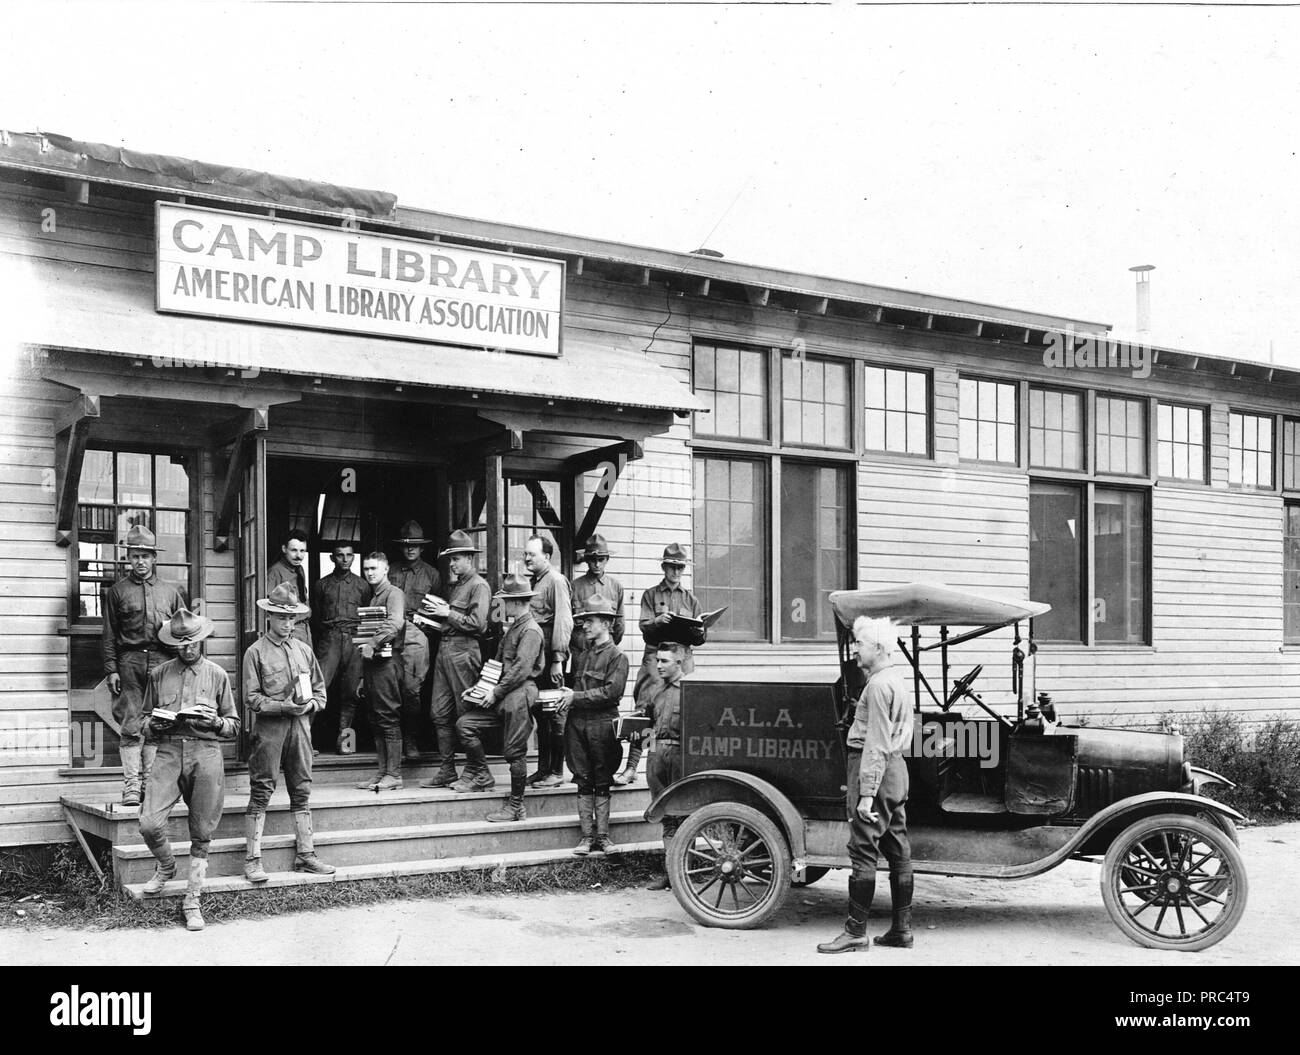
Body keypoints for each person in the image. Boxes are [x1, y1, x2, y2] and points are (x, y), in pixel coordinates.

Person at [137, 607, 240, 931]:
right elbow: (141, 721)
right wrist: (152, 725)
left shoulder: (217, 675)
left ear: (202, 640)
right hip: (167, 752)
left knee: (202, 832)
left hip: (206, 753)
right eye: (181, 644)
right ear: (173, 644)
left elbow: (234, 725)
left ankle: (192, 900)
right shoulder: (158, 674)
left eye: (193, 642)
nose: (188, 648)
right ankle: (166, 866)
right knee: (149, 823)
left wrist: (217, 722)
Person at [817, 616, 915, 954]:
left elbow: (875, 743)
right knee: (898, 849)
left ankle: (855, 933)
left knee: (863, 850)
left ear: (877, 647)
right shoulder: (897, 680)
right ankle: (901, 931)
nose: (856, 650)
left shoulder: (875, 686)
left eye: (860, 644)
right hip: (897, 772)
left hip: (874, 770)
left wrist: (867, 794)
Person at [242, 583, 335, 883]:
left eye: (291, 617)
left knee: (301, 789)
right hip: (270, 729)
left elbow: (320, 692)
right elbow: (252, 698)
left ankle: (305, 854)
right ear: (268, 615)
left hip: (301, 729)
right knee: (261, 790)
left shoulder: (304, 650)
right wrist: (282, 707)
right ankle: (253, 859)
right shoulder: (255, 652)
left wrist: (310, 706)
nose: (287, 623)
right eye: (281, 617)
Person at [101, 524, 190, 806]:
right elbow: (109, 633)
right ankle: (131, 787)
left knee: (158, 723)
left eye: (145, 556)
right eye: (135, 556)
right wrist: (111, 668)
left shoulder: (170, 592)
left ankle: (151, 786)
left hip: (163, 663)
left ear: (154, 558)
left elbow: (182, 631)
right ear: (128, 558)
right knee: (131, 725)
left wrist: (180, 664)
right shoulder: (117, 592)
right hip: (130, 662)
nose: (140, 561)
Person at [456, 574, 543, 821]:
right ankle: (482, 775)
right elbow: (496, 665)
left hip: (519, 694)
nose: (502, 605)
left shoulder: (531, 630)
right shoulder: (514, 627)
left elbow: (520, 670)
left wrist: (494, 692)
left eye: (505, 600)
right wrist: (479, 689)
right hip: (504, 693)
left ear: (516, 602)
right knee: (465, 725)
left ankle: (517, 806)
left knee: (515, 752)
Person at [617, 542, 704, 786]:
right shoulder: (651, 595)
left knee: (681, 714)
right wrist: (658, 621)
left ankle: (682, 771)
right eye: (672, 567)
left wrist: (699, 629)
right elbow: (644, 627)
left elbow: (700, 638)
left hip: (682, 661)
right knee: (646, 711)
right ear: (664, 567)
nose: (676, 572)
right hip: (657, 659)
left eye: (680, 567)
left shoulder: (691, 599)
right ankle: (634, 766)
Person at [418, 531, 491, 789]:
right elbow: (451, 625)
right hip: (446, 651)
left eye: (457, 558)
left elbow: (478, 625)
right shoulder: (456, 586)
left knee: (466, 716)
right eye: (450, 559)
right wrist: (430, 620)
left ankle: (478, 772)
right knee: (439, 713)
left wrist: (447, 612)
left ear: (469, 559)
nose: (452, 563)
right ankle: (447, 770)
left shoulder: (478, 586)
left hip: (464, 654)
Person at [558, 596, 629, 856]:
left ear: (606, 623)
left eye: (590, 621)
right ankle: (587, 837)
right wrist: (567, 697)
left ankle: (603, 837)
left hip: (603, 724)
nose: (585, 626)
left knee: (602, 779)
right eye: (584, 621)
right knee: (583, 779)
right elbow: (577, 688)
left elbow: (611, 693)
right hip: (577, 723)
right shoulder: (582, 655)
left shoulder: (618, 657)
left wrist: (574, 697)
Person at [388, 520, 443, 760]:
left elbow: (439, 610)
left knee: (413, 691)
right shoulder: (390, 571)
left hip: (419, 638)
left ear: (422, 549)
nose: (410, 549)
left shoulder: (432, 574)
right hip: (391, 635)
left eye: (416, 546)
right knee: (390, 689)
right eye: (406, 545)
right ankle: (393, 741)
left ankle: (411, 739)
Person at [523, 535, 573, 788]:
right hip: (536, 659)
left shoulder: (555, 581)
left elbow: (564, 621)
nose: (527, 558)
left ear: (547, 556)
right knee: (541, 714)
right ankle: (543, 769)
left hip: (549, 659)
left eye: (532, 554)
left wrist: (557, 660)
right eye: (526, 554)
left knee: (554, 716)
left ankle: (556, 771)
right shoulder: (535, 582)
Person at [355, 552, 407, 791]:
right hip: (373, 666)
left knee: (388, 717)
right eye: (366, 569)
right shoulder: (372, 596)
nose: (370, 573)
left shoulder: (394, 594)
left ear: (386, 569)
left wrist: (373, 643)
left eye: (374, 568)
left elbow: (395, 623)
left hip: (387, 664)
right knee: (376, 719)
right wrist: (363, 677)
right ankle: (382, 772)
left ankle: (394, 774)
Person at [638, 642, 686, 890]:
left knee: (682, 815)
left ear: (679, 662)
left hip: (680, 756)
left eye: (664, 661)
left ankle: (683, 873)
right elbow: (647, 723)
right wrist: (646, 748)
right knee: (665, 815)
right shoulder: (655, 690)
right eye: (657, 660)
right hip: (657, 753)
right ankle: (670, 873)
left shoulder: (690, 690)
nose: (658, 666)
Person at [311, 543, 366, 754]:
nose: (344, 559)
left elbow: (367, 615)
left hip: (354, 639)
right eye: (340, 555)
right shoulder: (322, 585)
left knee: (351, 692)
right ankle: (305, 742)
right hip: (330, 638)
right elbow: (316, 617)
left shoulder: (362, 586)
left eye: (349, 555)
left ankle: (345, 742)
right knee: (319, 688)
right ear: (333, 558)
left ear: (353, 558)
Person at [569, 533, 624, 661]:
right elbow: (568, 623)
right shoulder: (574, 586)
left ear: (607, 559)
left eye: (601, 560)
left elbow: (620, 626)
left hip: (606, 652)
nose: (597, 564)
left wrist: (608, 646)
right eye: (593, 560)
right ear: (586, 560)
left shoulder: (615, 587)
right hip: (580, 652)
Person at [267, 528, 312, 647]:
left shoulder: (300, 569)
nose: (299, 556)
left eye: (302, 551)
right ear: (284, 549)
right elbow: (269, 606)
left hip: (305, 629)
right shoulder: (275, 572)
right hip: (289, 630)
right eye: (294, 550)